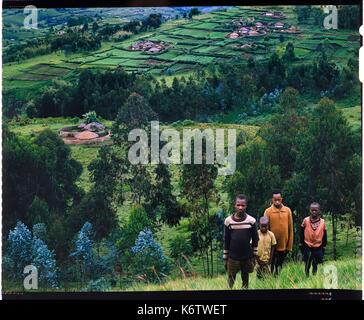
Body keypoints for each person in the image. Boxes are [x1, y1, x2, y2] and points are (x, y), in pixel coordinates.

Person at [223, 194, 259, 289]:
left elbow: (255, 239)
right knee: (231, 278)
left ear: (246, 206)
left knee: (245, 277)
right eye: (238, 205)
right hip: (233, 256)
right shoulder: (228, 221)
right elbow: (226, 239)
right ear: (234, 205)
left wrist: (254, 255)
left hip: (246, 256)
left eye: (243, 205)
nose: (240, 207)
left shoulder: (251, 221)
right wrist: (225, 256)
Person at [264, 189, 293, 276]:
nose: (277, 202)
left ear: (281, 199)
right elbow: (265, 229)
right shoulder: (268, 211)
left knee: (279, 264)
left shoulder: (287, 210)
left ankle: (277, 277)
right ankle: (270, 279)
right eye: (275, 200)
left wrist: (289, 245)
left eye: (278, 199)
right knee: (271, 263)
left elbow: (290, 228)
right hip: (272, 245)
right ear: (272, 200)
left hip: (284, 244)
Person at [300, 202, 327, 276]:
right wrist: (301, 244)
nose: (314, 212)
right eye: (312, 210)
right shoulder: (306, 220)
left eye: (316, 210)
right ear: (310, 210)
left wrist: (324, 245)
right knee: (307, 262)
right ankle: (307, 275)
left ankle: (314, 276)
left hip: (318, 246)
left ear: (319, 211)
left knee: (315, 263)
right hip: (307, 245)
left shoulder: (322, 222)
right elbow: (301, 232)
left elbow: (324, 234)